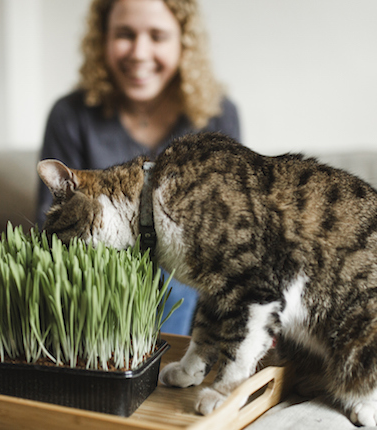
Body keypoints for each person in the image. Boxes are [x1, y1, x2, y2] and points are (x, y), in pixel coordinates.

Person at [37, 0, 241, 335]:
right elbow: (55, 220)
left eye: (158, 36)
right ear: (102, 38)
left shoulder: (218, 114)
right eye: (125, 34)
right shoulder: (70, 115)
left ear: (183, 42)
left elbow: (226, 225)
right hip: (101, 271)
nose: (139, 52)